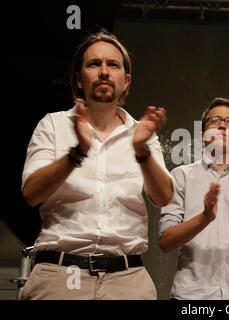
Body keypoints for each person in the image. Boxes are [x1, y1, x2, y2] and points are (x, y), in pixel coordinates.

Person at [20, 30, 173, 300]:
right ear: (79, 79)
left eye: (112, 65)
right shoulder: (53, 125)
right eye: (94, 64)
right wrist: (77, 152)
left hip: (128, 279)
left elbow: (163, 197)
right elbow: (31, 193)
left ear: (125, 81)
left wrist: (141, 151)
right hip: (60, 275)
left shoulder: (142, 133)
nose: (104, 71)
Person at [158, 97, 229, 299]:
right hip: (190, 296)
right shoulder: (180, 176)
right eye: (214, 120)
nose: (222, 125)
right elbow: (166, 241)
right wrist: (205, 217)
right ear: (202, 135)